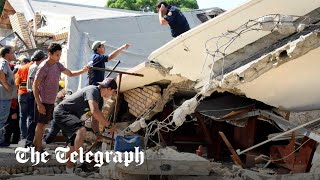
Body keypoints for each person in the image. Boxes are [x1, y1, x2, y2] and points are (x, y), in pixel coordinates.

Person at [32, 43, 89, 152]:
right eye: (57, 55)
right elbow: (35, 85)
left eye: (60, 54)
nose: (59, 57)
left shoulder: (57, 65)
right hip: (42, 100)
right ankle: (38, 148)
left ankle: (36, 145)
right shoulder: (44, 66)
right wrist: (39, 103)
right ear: (50, 54)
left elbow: (70, 73)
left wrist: (83, 70)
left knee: (43, 125)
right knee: (40, 125)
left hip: (50, 100)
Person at [53, 78, 117, 173]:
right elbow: (94, 111)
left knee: (72, 146)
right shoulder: (93, 90)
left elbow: (94, 120)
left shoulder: (99, 100)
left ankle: (69, 172)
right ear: (109, 88)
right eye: (113, 92)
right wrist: (108, 125)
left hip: (71, 116)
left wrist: (97, 133)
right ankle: (80, 161)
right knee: (81, 130)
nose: (111, 95)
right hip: (63, 112)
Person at [25, 50, 46, 147]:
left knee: (35, 119)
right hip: (33, 95)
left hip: (34, 95)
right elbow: (34, 83)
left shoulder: (36, 66)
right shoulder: (36, 67)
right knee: (33, 119)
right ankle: (29, 142)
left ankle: (32, 141)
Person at [0, 46, 16, 145]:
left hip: (4, 95)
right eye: (12, 53)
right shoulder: (4, 62)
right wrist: (7, 86)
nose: (13, 54)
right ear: (7, 54)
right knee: (2, 119)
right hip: (4, 95)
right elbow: (1, 73)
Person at [15, 56, 32, 144]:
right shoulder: (36, 67)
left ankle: (23, 137)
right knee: (31, 117)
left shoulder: (21, 68)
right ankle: (30, 137)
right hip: (32, 94)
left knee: (22, 116)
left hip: (22, 93)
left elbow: (17, 83)